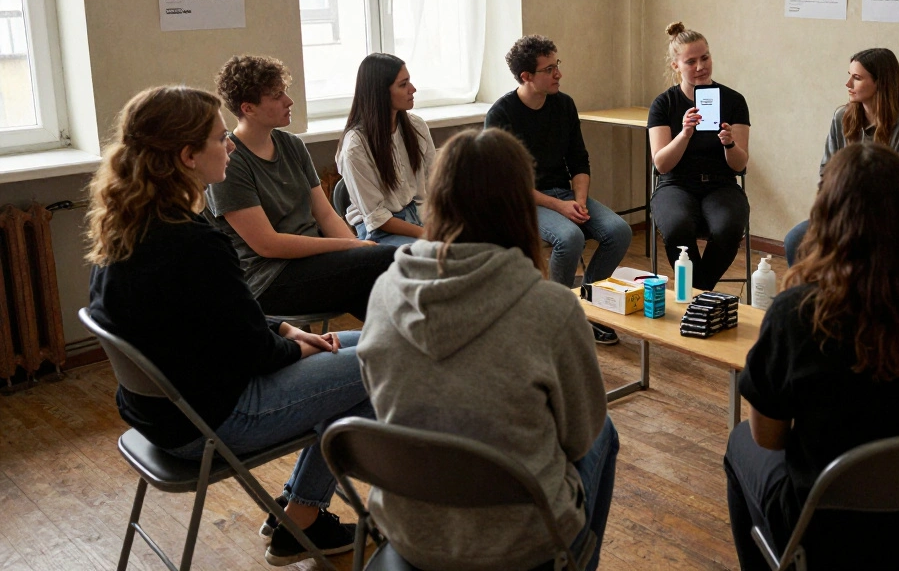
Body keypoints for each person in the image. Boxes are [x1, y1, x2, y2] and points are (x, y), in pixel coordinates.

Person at [85, 86, 373, 566]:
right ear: (187, 156)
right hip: (212, 420)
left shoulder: (125, 228)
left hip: (163, 415)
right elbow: (251, 353)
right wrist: (298, 348)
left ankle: (299, 517)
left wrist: (285, 331)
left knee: (366, 347)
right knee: (379, 355)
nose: (231, 146)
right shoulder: (193, 243)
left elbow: (224, 320)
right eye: (221, 139)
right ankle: (301, 518)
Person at [358, 128, 619, 571]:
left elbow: (379, 399)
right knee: (604, 432)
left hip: (411, 530)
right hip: (521, 544)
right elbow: (579, 435)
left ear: (436, 200)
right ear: (520, 205)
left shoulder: (385, 292)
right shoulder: (551, 309)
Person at [726, 143, 899, 571]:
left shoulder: (798, 312)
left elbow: (767, 438)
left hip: (832, 537)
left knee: (740, 442)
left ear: (827, 215)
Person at [204, 54, 396, 320]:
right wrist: (349, 248)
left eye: (285, 92)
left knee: (387, 293)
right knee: (388, 265)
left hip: (315, 263)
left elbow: (326, 214)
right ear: (248, 108)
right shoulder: (232, 161)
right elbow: (268, 246)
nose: (289, 101)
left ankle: (411, 352)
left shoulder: (292, 145)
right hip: (269, 280)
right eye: (276, 96)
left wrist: (355, 246)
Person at [484, 36, 632, 321]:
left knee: (619, 231)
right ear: (526, 76)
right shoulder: (501, 114)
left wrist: (578, 201)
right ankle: (555, 316)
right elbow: (509, 184)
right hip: (523, 200)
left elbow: (579, 160)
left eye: (557, 65)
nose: (558, 74)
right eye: (549, 69)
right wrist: (559, 206)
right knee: (569, 237)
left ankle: (588, 305)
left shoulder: (564, 105)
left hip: (564, 195)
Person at [783, 48, 899, 265]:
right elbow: (826, 172)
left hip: (884, 219)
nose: (848, 84)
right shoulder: (842, 116)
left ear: (881, 83)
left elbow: (894, 187)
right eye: (849, 76)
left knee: (850, 249)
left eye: (856, 78)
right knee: (795, 240)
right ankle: (812, 298)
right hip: (842, 211)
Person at [648, 22, 750, 291]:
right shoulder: (664, 104)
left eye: (704, 57)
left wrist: (729, 144)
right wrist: (684, 134)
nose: (700, 66)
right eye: (690, 61)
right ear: (676, 66)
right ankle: (701, 295)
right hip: (676, 183)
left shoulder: (733, 101)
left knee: (728, 228)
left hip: (721, 183)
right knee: (677, 227)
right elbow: (661, 164)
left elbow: (740, 165)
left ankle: (697, 293)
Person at [336, 53, 436, 246]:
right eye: (403, 84)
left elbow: (433, 183)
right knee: (435, 257)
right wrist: (428, 234)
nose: (413, 89)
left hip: (418, 216)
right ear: (380, 92)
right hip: (381, 230)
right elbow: (379, 219)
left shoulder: (416, 126)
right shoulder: (355, 147)